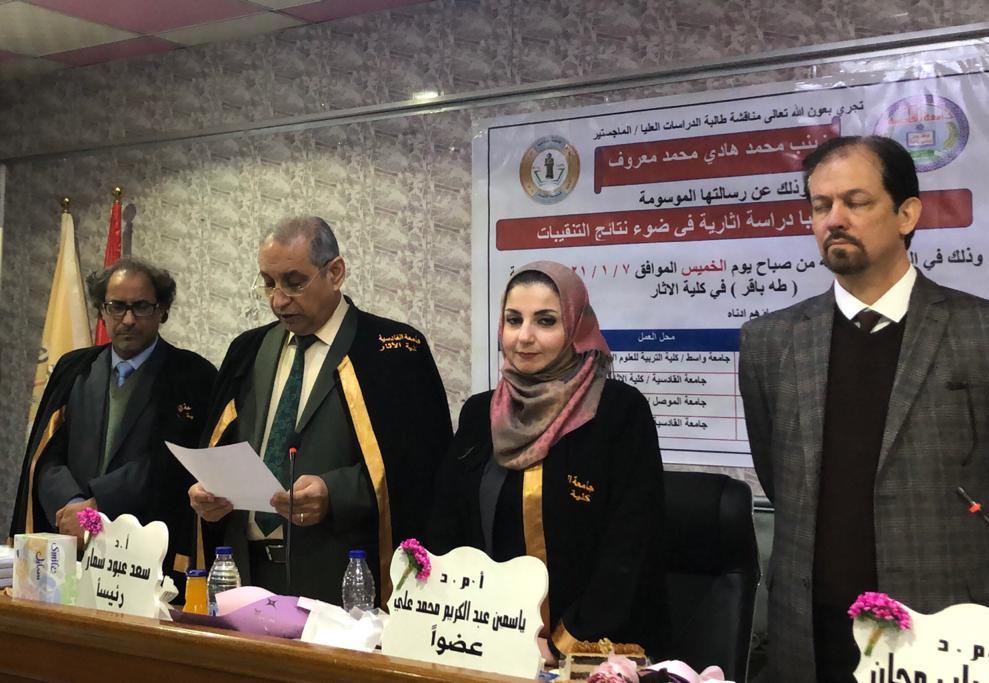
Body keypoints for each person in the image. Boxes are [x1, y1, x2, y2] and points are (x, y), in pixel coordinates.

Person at [738, 135, 989, 682]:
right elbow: (779, 477)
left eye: (856, 201)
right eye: (821, 206)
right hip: (813, 626)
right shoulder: (770, 342)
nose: (834, 219)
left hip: (947, 624)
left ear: (907, 214)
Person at [188, 216, 452, 604]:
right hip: (245, 575)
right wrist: (207, 493)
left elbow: (424, 468)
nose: (278, 300)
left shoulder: (393, 349)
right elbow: (220, 446)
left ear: (335, 272)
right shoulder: (247, 349)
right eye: (269, 283)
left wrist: (335, 492)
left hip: (343, 579)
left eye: (294, 282)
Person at [429, 261, 665, 663]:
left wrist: (562, 643)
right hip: (488, 644)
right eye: (513, 320)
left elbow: (630, 547)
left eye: (546, 321)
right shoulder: (481, 413)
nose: (524, 336)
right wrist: (447, 618)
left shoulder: (618, 412)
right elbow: (447, 529)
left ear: (576, 328)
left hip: (592, 650)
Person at [9, 257, 217, 587]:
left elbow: (171, 463)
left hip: (146, 557)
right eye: (117, 307)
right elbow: (46, 455)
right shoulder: (73, 368)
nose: (128, 319)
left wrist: (97, 508)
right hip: (70, 546)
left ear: (162, 311)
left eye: (141, 307)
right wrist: (74, 507)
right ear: (101, 312)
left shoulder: (193, 376)